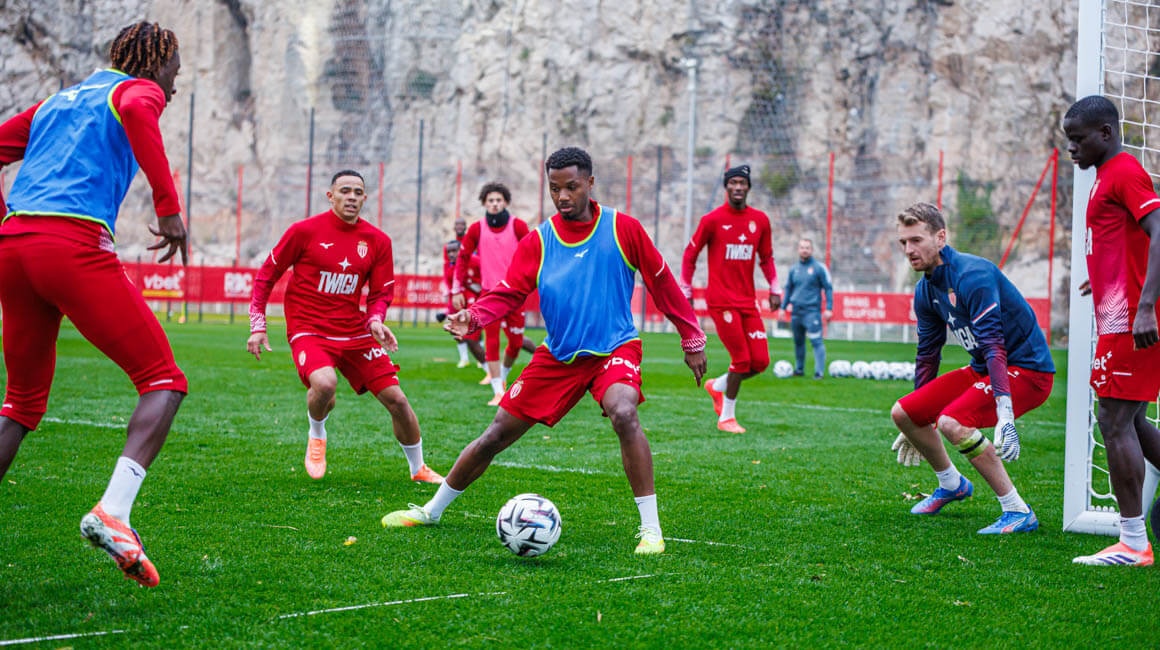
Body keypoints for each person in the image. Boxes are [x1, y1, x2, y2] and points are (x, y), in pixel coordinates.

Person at [381, 147, 707, 555]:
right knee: (495, 435)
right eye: (554, 188)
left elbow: (662, 281)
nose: (562, 196)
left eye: (571, 187)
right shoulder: (539, 241)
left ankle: (651, 531)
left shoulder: (624, 229)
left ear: (590, 183)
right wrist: (475, 316)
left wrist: (691, 336)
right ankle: (432, 511)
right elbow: (509, 292)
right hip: (559, 356)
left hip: (615, 348)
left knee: (624, 412)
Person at [0, 21, 188, 588]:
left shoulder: (56, 101)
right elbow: (136, 107)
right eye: (174, 73)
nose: (173, 87)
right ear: (156, 63)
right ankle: (113, 513)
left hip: (13, 247)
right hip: (72, 245)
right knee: (164, 381)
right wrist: (168, 208)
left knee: (21, 404)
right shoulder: (137, 89)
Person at [246, 169, 442, 485]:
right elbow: (267, 275)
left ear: (365, 198)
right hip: (308, 328)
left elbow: (381, 292)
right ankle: (317, 434)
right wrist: (258, 324)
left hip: (354, 330)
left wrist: (375, 319)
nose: (351, 197)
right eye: (345, 191)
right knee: (325, 385)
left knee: (398, 400)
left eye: (358, 192)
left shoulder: (378, 241)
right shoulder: (303, 232)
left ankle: (418, 468)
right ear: (330, 196)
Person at [888, 202, 1054, 535]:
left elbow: (994, 345)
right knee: (903, 413)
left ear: (941, 238)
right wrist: (919, 415)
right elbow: (927, 354)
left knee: (953, 422)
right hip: (983, 368)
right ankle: (951, 484)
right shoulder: (925, 290)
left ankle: (1017, 510)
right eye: (904, 242)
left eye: (917, 240)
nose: (909, 250)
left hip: (1029, 371)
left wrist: (1005, 413)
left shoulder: (972, 275)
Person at [1063, 96, 1160, 566]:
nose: (1071, 149)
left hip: (1131, 322)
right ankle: (1135, 540)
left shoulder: (1123, 172)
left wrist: (1146, 307)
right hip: (1119, 314)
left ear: (1105, 133)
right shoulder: (1105, 175)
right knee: (1132, 420)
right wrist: (1101, 276)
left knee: (1113, 419)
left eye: (1077, 140)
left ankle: (1134, 543)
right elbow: (1125, 239)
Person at [680, 165, 780, 433]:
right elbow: (690, 255)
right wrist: (686, 290)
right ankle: (726, 418)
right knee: (742, 359)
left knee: (760, 362)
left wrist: (775, 287)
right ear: (726, 187)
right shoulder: (712, 220)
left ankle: (717, 385)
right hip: (721, 300)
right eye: (733, 182)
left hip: (748, 301)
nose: (737, 187)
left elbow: (766, 258)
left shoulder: (760, 220)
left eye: (742, 183)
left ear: (748, 187)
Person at [452, 182, 531, 405]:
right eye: (490, 201)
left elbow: (533, 253)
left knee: (515, 343)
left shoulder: (518, 226)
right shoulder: (477, 228)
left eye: (498, 200)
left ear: (505, 202)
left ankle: (503, 378)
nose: (495, 204)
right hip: (489, 294)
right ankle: (497, 391)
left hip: (515, 294)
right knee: (492, 340)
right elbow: (462, 258)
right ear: (484, 203)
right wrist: (456, 289)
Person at [782, 238, 833, 379]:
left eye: (807, 248)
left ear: (812, 250)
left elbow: (828, 288)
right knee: (798, 342)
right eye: (802, 247)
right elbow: (788, 289)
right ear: (798, 250)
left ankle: (819, 372)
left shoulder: (819, 268)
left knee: (816, 341)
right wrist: (783, 307)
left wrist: (829, 308)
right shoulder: (794, 269)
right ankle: (799, 369)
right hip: (796, 312)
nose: (804, 250)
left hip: (812, 312)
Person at [441, 216, 485, 368]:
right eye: (449, 252)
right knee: (455, 325)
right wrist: (450, 294)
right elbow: (448, 274)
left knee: (475, 326)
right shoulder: (450, 264)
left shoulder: (473, 252)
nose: (451, 254)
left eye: (462, 224)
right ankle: (464, 358)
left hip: (474, 296)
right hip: (460, 295)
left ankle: (482, 359)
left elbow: (483, 275)